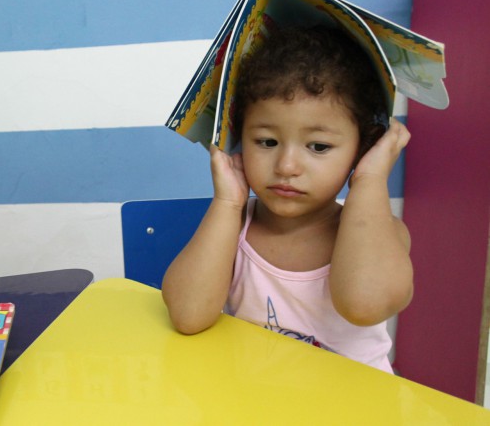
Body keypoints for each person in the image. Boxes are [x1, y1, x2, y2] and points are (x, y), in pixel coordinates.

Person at [161, 25, 413, 373]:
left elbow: (364, 305)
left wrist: (370, 179)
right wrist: (227, 204)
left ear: (364, 147)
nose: (287, 166)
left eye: (319, 146)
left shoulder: (382, 234)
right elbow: (188, 316)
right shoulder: (234, 227)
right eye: (266, 142)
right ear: (238, 139)